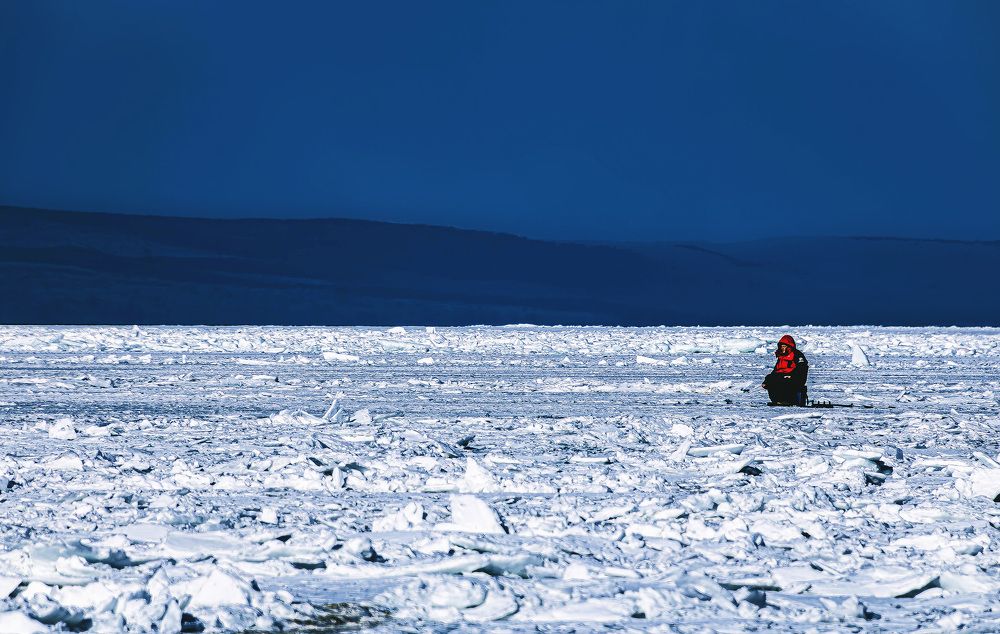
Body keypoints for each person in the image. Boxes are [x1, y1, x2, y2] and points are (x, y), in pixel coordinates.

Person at [761, 334, 808, 406]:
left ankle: (787, 400)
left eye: (785, 346)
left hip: (793, 377)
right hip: (782, 376)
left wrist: (793, 376)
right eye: (782, 346)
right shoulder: (781, 357)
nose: (783, 348)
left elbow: (802, 369)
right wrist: (767, 381)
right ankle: (777, 400)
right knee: (770, 379)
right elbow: (776, 370)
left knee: (784, 381)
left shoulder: (797, 355)